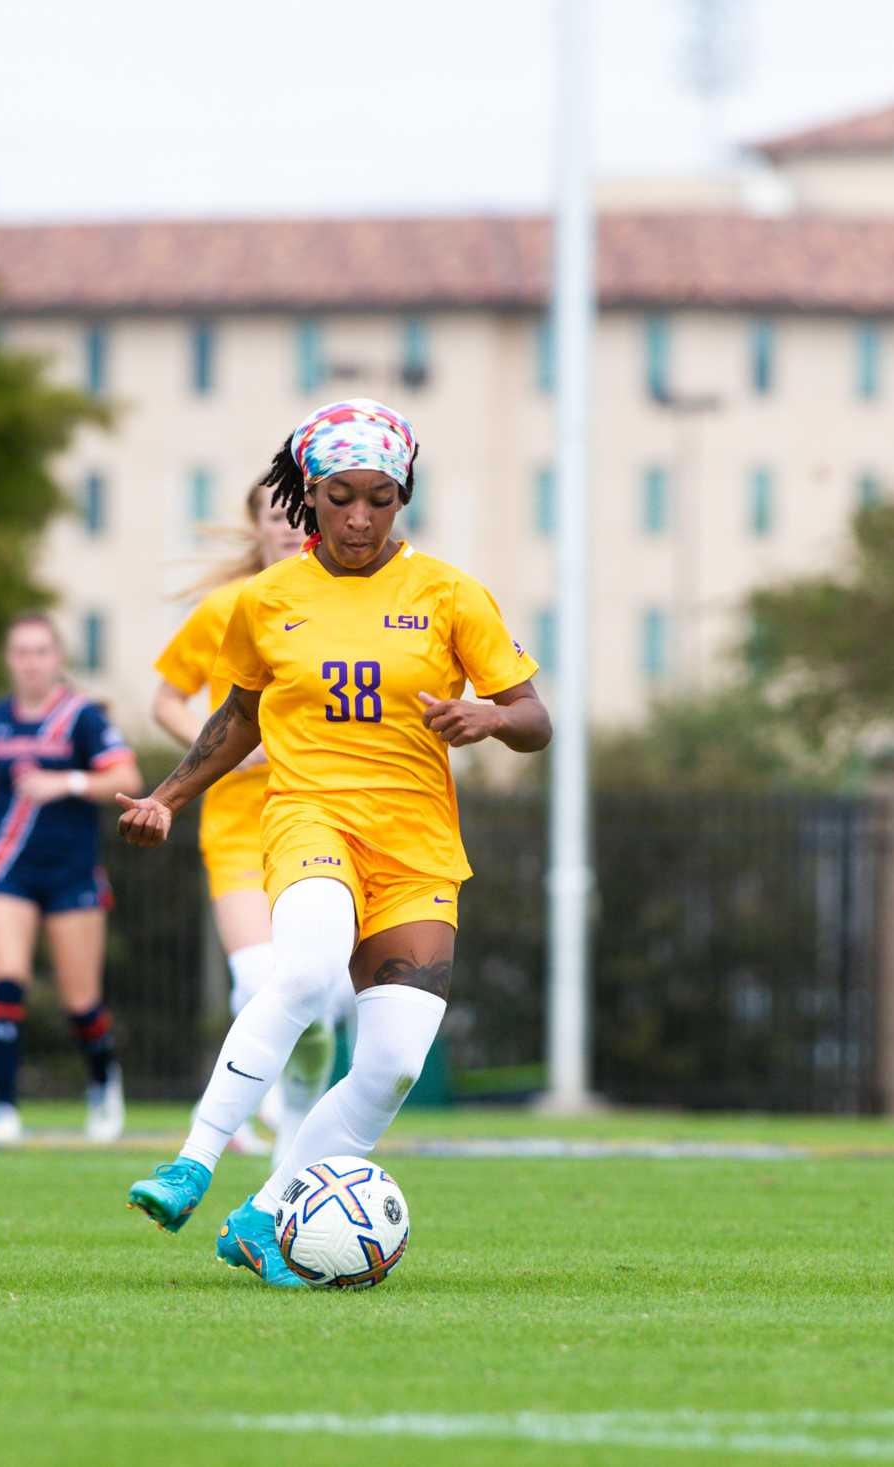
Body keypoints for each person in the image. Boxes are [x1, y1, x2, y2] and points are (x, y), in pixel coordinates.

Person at [118, 399, 550, 1285]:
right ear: (307, 496)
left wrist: (490, 715)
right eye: (341, 497)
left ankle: (264, 1214)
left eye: (380, 498)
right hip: (310, 818)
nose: (360, 517)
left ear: (403, 496)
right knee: (307, 971)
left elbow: (536, 718)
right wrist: (169, 795)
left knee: (390, 1065)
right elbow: (237, 718)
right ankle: (192, 1161)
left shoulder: (450, 592)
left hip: (419, 848)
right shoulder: (265, 601)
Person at [152, 483, 343, 1158]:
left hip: (326, 824)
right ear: (257, 529)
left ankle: (290, 1121)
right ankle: (232, 1116)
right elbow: (168, 700)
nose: (290, 528)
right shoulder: (228, 607)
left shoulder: (346, 607)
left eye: (300, 516)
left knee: (320, 1000)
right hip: (238, 830)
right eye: (276, 517)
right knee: (261, 978)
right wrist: (223, 754)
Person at [0, 614, 144, 1144]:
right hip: (9, 868)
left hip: (71, 872)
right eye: (21, 652)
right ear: (9, 659)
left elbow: (128, 778)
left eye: (40, 651)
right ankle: (3, 1108)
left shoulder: (81, 718)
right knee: (6, 976)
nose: (31, 662)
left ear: (58, 658)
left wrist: (67, 782)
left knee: (81, 1002)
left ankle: (104, 1082)